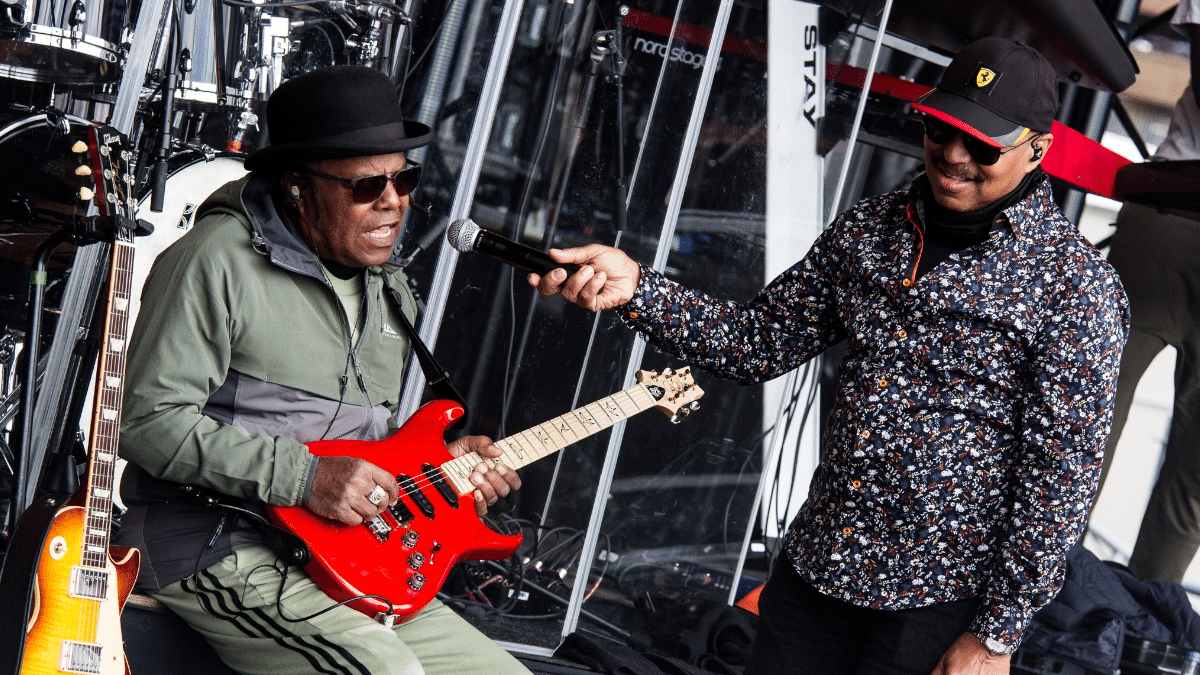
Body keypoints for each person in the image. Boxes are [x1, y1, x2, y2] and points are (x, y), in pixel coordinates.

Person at [531, 37, 1129, 675]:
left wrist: (995, 636)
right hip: (820, 572)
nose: (953, 157)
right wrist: (638, 289)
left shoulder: (1075, 287)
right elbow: (755, 342)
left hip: (937, 604)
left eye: (983, 145)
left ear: (1038, 148)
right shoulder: (870, 229)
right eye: (941, 130)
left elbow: (1059, 482)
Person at [115, 66, 529, 675]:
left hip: (345, 561)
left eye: (405, 179)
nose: (394, 203)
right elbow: (144, 424)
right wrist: (305, 477)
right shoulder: (213, 260)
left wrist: (444, 474)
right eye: (367, 188)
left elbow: (362, 452)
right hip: (210, 544)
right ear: (297, 187)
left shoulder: (391, 291)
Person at [1100, 0, 1200, 584]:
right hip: (1176, 213)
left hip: (1171, 216)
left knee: (1194, 477)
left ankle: (1136, 631)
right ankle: (1032, 605)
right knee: (1088, 416)